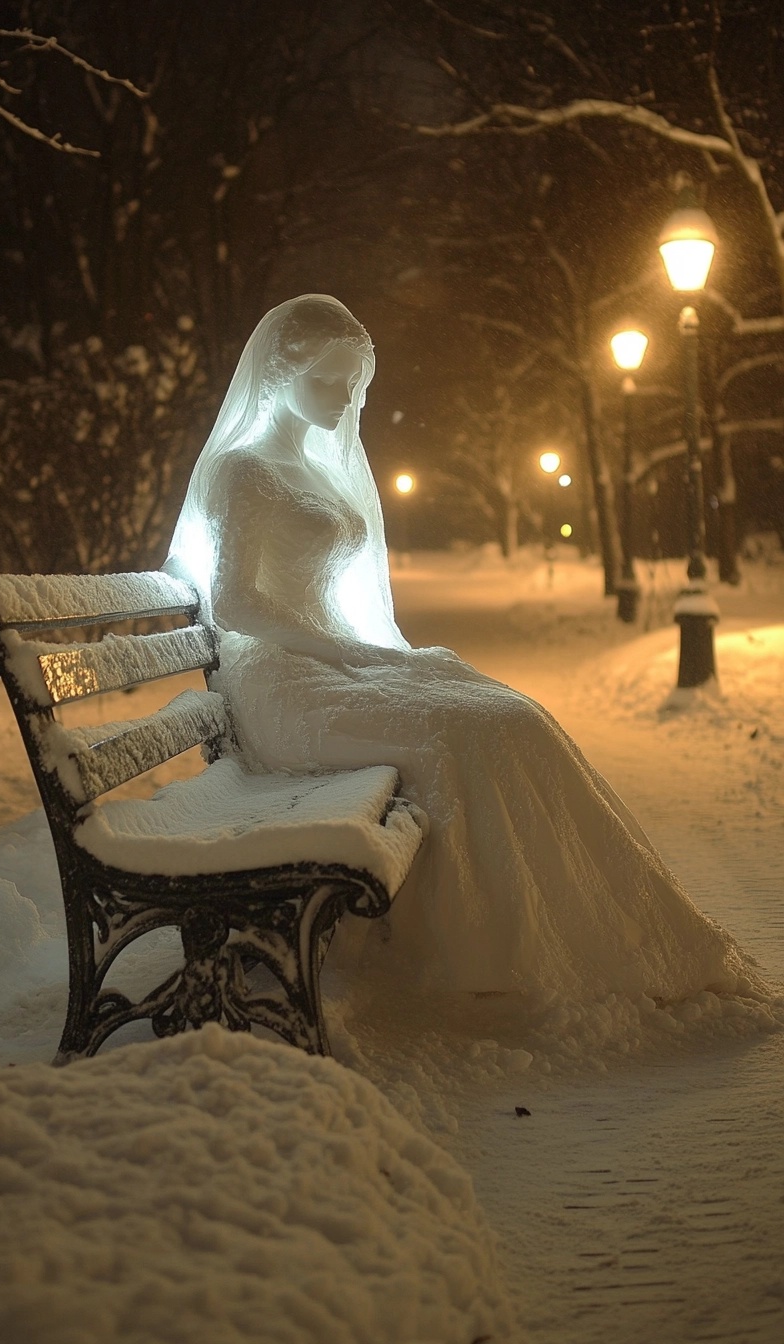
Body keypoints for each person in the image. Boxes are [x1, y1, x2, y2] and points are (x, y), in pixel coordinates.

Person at [165, 294, 758, 1003]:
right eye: (325, 380)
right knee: (473, 730)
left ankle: (603, 939)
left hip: (334, 660)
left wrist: (366, 652)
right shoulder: (245, 471)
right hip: (284, 683)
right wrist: (350, 655)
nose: (342, 399)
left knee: (516, 716)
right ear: (278, 373)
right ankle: (507, 960)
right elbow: (233, 604)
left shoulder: (321, 471)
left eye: (352, 384)